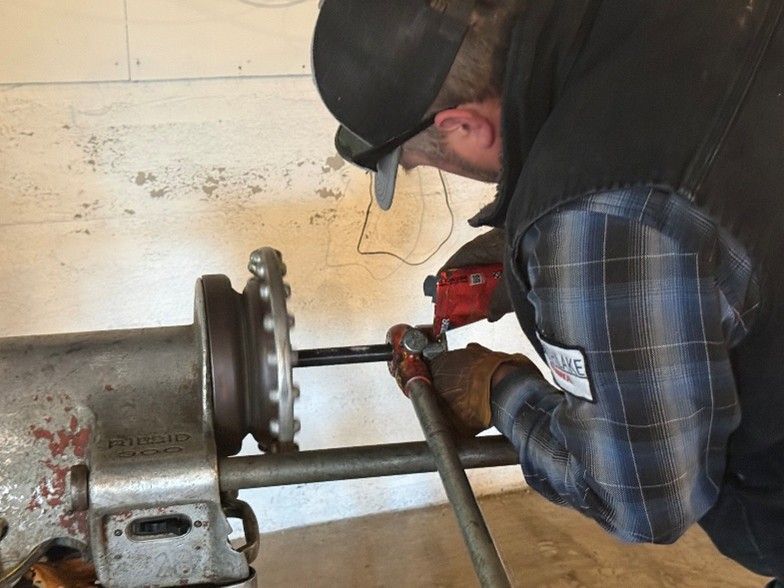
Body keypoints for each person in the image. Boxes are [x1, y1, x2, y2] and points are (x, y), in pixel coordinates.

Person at [311, 0, 784, 584]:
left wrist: (499, 390)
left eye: (421, 162)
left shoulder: (599, 217)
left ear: (462, 126)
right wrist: (527, 254)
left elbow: (642, 494)